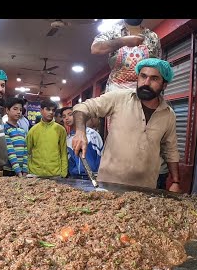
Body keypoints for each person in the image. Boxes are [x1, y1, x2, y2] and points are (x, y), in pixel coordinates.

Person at [72, 58, 181, 191]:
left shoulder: (168, 115)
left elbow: (171, 150)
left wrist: (176, 181)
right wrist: (80, 132)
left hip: (145, 189)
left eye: (154, 79)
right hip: (108, 185)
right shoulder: (119, 98)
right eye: (143, 76)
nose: (146, 83)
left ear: (164, 85)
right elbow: (82, 108)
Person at [91, 19, 161, 92]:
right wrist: (124, 41)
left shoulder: (153, 37)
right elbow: (95, 48)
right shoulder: (113, 31)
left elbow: (158, 66)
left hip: (142, 91)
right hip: (115, 90)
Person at [26, 100, 68, 178]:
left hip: (55, 174)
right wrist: (28, 170)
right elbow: (27, 152)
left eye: (53, 110)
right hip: (35, 173)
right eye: (48, 109)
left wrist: (63, 173)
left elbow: (63, 153)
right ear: (41, 110)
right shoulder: (33, 130)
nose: (51, 112)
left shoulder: (60, 130)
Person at [61, 106, 103, 179]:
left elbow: (101, 155)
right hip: (75, 179)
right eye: (64, 116)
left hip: (93, 178)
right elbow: (70, 160)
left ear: (77, 116)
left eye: (70, 114)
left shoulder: (92, 134)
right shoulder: (68, 139)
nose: (67, 118)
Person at [3, 97, 28, 177]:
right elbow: (10, 151)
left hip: (21, 171)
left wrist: (25, 169)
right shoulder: (4, 128)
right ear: (7, 110)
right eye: (15, 109)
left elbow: (25, 151)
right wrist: (18, 171)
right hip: (9, 170)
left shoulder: (22, 130)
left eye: (20, 110)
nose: (18, 112)